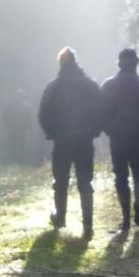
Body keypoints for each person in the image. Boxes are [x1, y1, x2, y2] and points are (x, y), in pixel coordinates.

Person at [37, 47, 103, 237]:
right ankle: (88, 226)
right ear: (76, 62)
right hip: (84, 139)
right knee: (85, 181)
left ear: (61, 63)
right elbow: (101, 111)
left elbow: (43, 114)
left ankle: (60, 218)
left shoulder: (54, 86)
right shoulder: (90, 85)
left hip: (62, 141)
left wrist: (52, 133)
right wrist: (94, 131)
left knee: (61, 180)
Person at [100, 47, 139, 233]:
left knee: (121, 176)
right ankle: (138, 202)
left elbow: (100, 113)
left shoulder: (109, 85)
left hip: (118, 138)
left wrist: (110, 130)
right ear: (136, 64)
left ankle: (125, 220)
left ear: (119, 63)